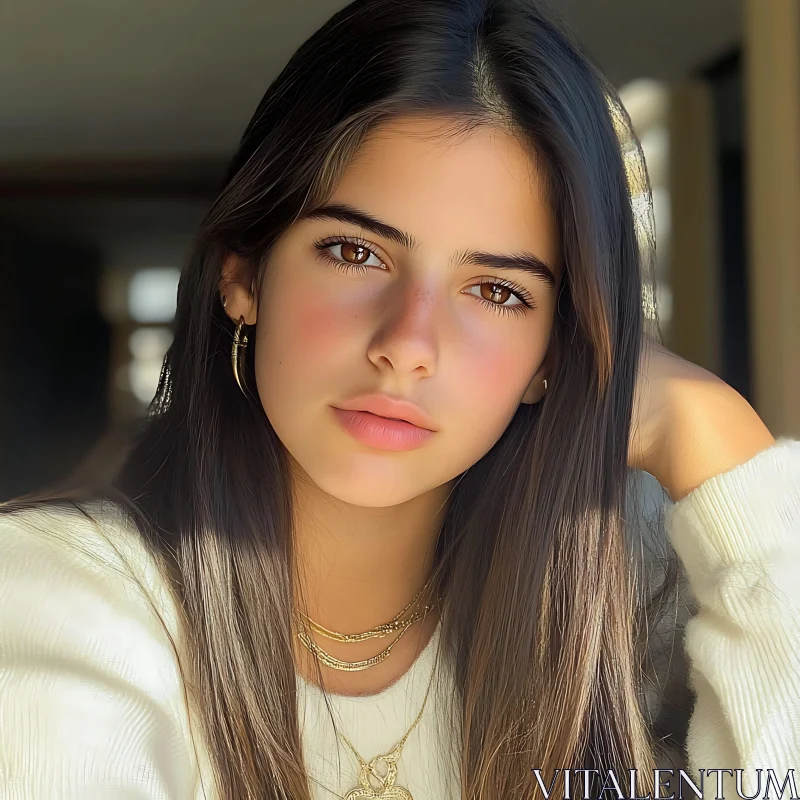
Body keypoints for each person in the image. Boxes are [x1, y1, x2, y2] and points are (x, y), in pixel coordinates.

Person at [1, 0, 798, 798]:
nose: (409, 345)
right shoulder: (58, 599)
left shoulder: (631, 617)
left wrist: (712, 437)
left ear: (554, 356)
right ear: (243, 278)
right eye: (356, 252)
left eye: (496, 290)